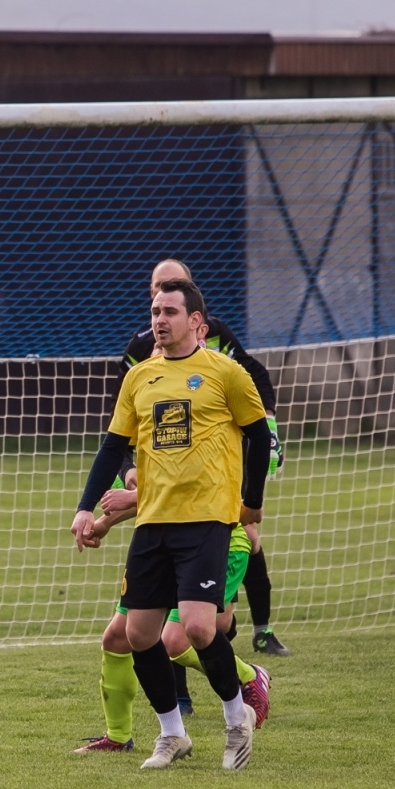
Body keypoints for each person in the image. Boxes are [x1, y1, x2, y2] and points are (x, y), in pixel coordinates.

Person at [73, 279, 271, 770]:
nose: (159, 320)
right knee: (139, 635)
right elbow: (113, 447)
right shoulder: (139, 378)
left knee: (200, 629)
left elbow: (259, 437)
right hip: (153, 522)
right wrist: (85, 508)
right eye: (155, 311)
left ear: (196, 322)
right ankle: (172, 734)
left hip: (207, 521)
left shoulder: (226, 373)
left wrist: (251, 500)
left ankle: (235, 719)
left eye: (170, 312)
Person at [118, 259, 289, 659]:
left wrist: (269, 428)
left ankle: (261, 630)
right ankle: (183, 683)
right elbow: (121, 421)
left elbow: (257, 376)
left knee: (246, 537)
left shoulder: (216, 338)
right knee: (159, 610)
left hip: (216, 461)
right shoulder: (141, 350)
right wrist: (127, 472)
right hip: (160, 465)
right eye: (158, 288)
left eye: (174, 287)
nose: (164, 296)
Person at [71, 482, 270, 755]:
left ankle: (249, 677)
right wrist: (105, 521)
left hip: (210, 544)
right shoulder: (133, 447)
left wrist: (126, 500)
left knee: (177, 640)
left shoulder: (182, 442)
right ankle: (118, 738)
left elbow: (180, 489)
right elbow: (157, 500)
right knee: (117, 637)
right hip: (161, 546)